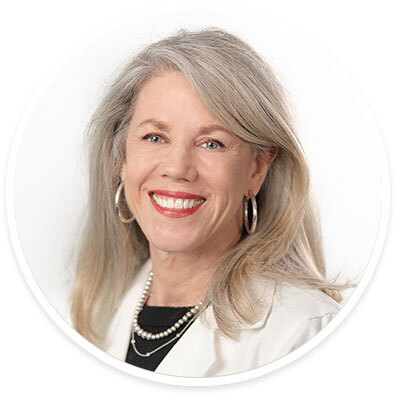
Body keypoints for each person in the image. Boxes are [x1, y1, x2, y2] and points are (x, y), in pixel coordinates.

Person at [70, 27, 350, 377]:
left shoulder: (302, 332)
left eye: (211, 143)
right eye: (154, 136)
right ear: (120, 159)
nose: (177, 168)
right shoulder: (102, 308)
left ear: (257, 168)